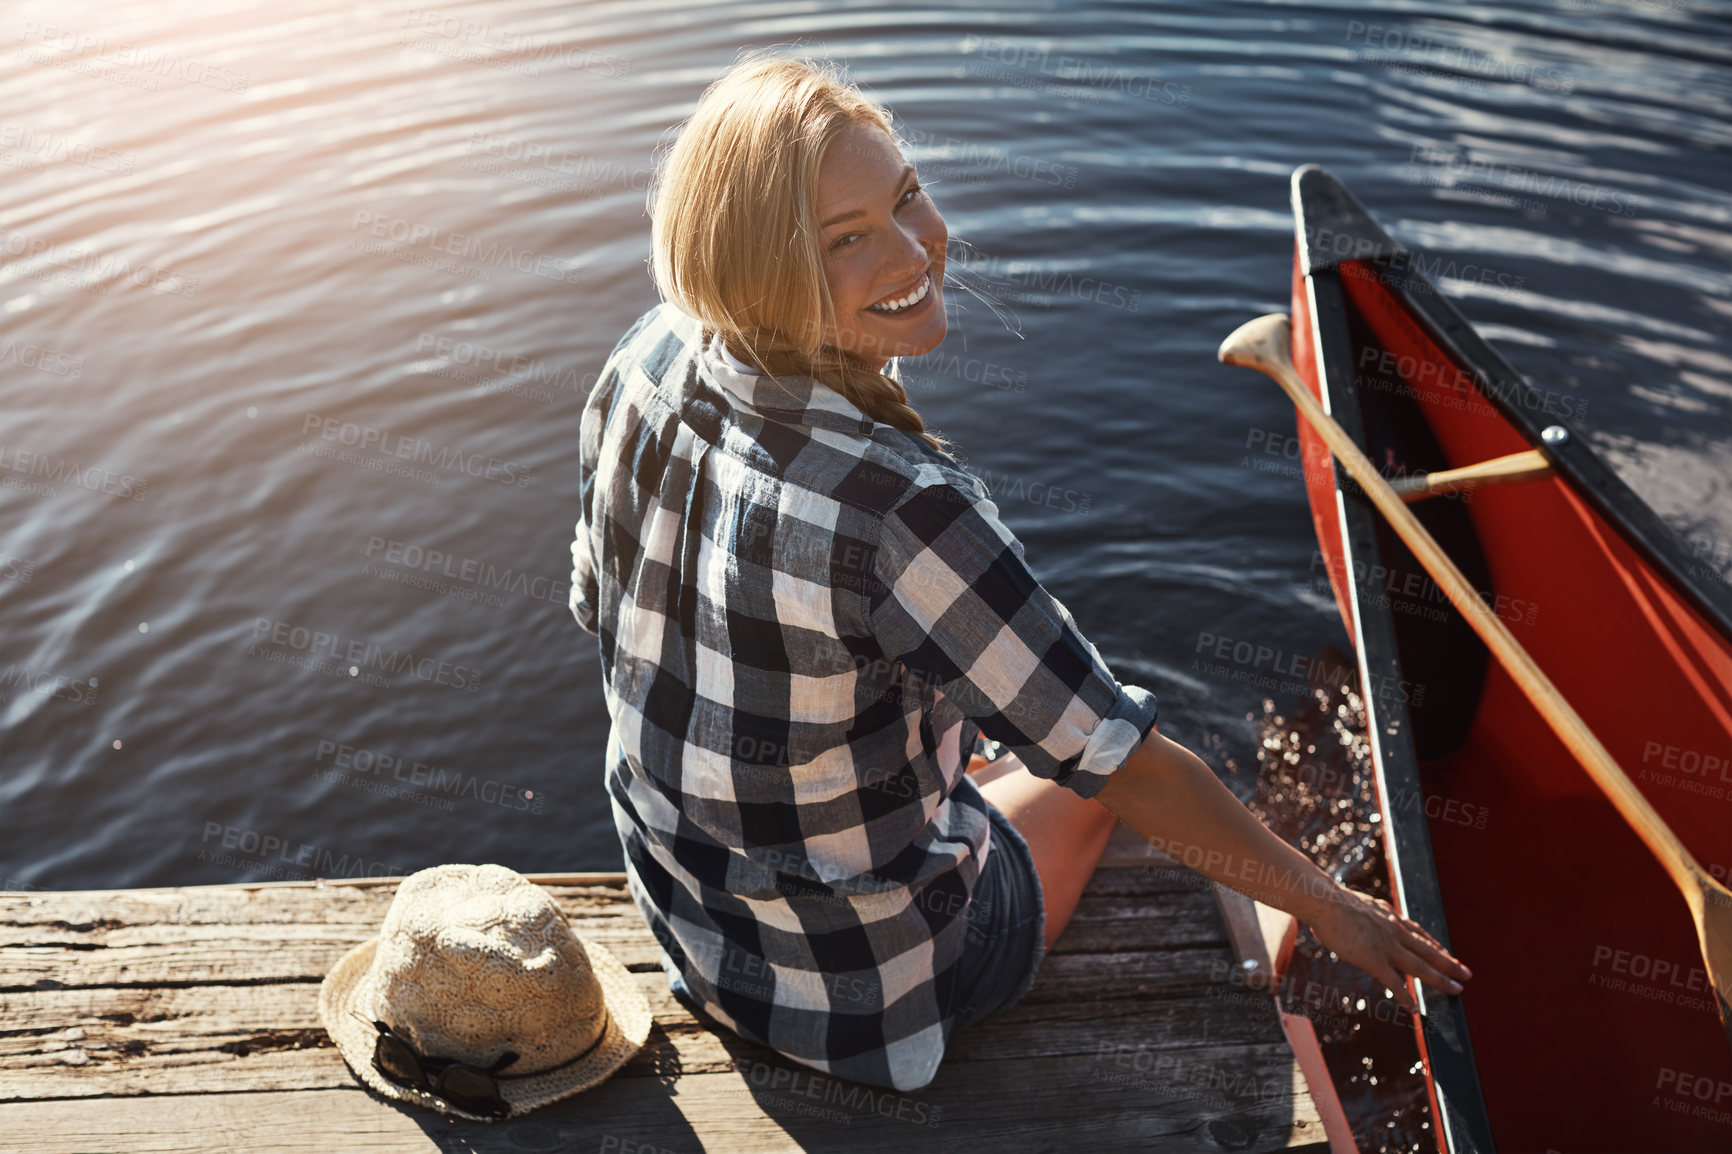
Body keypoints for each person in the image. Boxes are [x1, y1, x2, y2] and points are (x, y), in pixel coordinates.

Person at [567, 51, 1470, 1093]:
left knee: (989, 713)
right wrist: (1329, 905)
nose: (916, 250)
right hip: (863, 997)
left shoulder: (644, 357)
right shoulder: (901, 511)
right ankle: (1229, 911)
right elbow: (1123, 760)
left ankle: (981, 779)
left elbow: (607, 617)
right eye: (846, 240)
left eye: (906, 196)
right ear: (765, 272)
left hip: (690, 918)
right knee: (1117, 757)